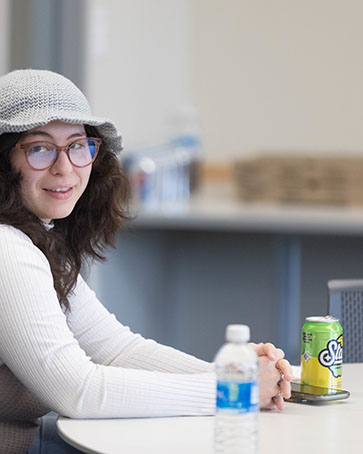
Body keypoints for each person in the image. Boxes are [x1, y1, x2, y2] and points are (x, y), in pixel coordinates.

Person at [0, 69, 292, 454]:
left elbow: (116, 349)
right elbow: (79, 391)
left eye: (78, 145)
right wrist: (233, 390)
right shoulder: (7, 247)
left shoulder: (37, 237)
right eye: (39, 148)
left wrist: (238, 374)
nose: (65, 167)